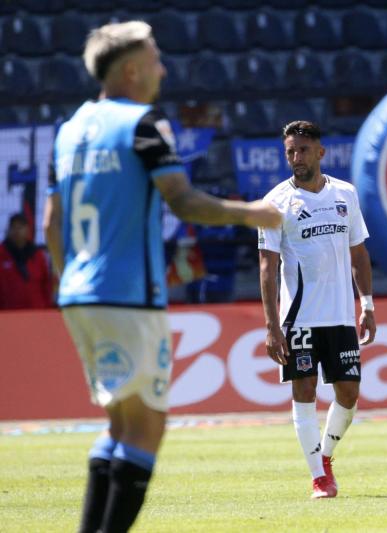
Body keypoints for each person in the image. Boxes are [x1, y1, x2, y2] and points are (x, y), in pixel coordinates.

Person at [43, 21, 281, 533]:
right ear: (131, 70)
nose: (162, 69)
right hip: (128, 294)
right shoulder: (141, 123)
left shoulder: (70, 129)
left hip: (79, 293)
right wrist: (252, 213)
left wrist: (73, 281)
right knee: (147, 427)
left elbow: (50, 222)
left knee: (121, 424)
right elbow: (183, 199)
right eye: (154, 59)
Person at [258, 120, 376, 500]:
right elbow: (267, 266)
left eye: (303, 150)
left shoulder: (346, 194)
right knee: (305, 389)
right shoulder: (275, 202)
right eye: (290, 151)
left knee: (349, 392)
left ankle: (324, 457)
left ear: (321, 152)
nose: (296, 158)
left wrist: (368, 304)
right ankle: (319, 478)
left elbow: (359, 253)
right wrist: (272, 325)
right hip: (300, 318)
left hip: (341, 315)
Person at [0, 213, 53, 309]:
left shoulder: (38, 255)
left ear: (28, 230)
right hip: (7, 315)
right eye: (13, 227)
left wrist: (48, 308)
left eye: (20, 227)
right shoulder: (2, 254)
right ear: (8, 230)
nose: (17, 231)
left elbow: (46, 285)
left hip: (37, 312)